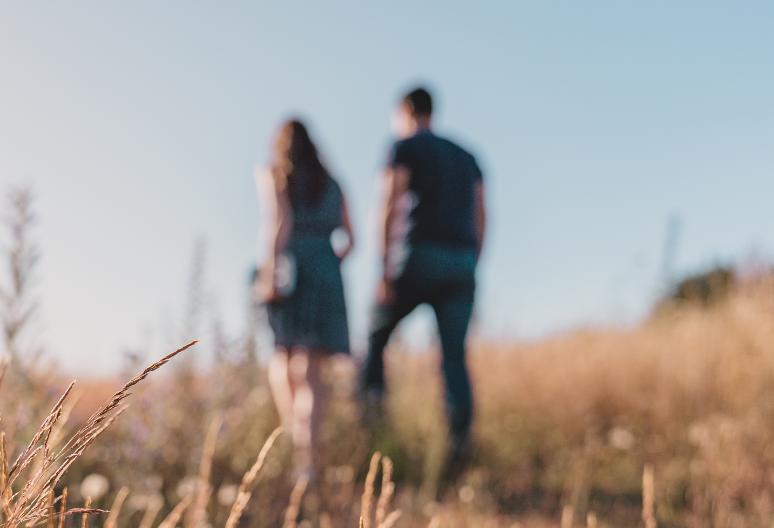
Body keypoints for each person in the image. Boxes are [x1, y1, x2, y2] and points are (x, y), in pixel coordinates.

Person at [362, 87, 486, 484]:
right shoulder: (468, 157)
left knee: (376, 338)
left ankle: (373, 433)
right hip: (462, 261)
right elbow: (483, 215)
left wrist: (383, 269)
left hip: (419, 255)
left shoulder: (403, 146)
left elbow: (388, 202)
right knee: (454, 358)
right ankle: (459, 448)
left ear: (405, 111)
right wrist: (472, 264)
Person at [255, 119, 354, 479]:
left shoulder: (273, 174)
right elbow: (350, 238)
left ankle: (296, 447)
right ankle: (308, 461)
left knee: (283, 356)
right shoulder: (334, 183)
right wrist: (327, 265)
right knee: (312, 372)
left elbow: (277, 221)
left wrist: (269, 273)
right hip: (327, 271)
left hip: (291, 269)